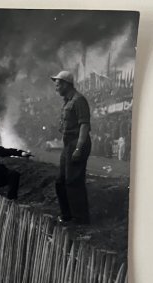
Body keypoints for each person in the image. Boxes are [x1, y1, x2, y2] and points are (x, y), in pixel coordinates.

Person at [51, 70, 92, 225]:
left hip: (77, 142)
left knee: (73, 181)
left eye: (58, 84)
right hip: (69, 143)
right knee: (60, 181)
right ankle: (67, 215)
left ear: (67, 84)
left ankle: (80, 219)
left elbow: (84, 125)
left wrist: (78, 148)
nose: (56, 88)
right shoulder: (67, 101)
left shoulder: (79, 100)